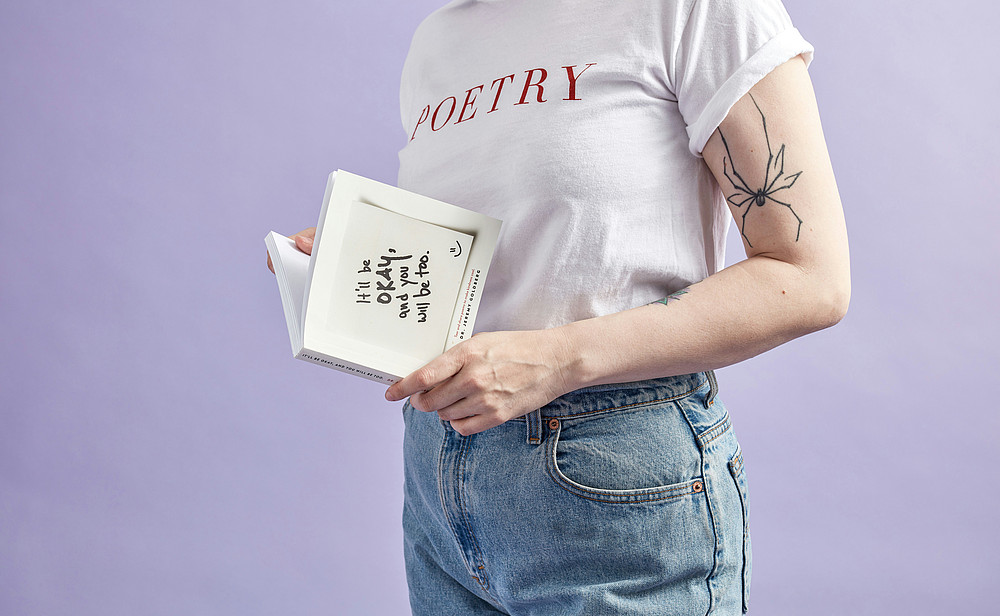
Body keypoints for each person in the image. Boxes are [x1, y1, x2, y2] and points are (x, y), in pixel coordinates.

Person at [271, 0, 849, 613]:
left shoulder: (693, 9)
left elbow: (810, 277)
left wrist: (558, 358)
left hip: (615, 475)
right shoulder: (438, 40)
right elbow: (518, 260)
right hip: (438, 474)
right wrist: (364, 257)